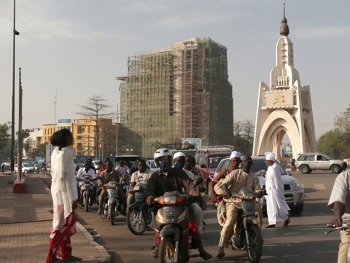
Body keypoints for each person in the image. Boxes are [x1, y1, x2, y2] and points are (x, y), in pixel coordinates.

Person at [146, 148, 212, 261]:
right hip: (161, 206)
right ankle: (158, 245)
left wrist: (192, 191)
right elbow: (149, 190)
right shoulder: (154, 176)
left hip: (180, 204)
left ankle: (201, 249)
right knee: (155, 223)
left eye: (166, 159)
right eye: (160, 160)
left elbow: (189, 184)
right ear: (156, 162)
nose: (163, 162)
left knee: (193, 221)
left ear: (170, 160)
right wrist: (150, 196)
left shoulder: (179, 173)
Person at [214, 153, 261, 258]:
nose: (247, 163)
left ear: (251, 163)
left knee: (259, 212)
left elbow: (257, 189)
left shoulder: (254, 177)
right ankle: (221, 247)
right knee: (230, 220)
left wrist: (260, 192)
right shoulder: (235, 173)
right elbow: (224, 184)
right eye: (245, 161)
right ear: (242, 163)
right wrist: (226, 191)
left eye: (249, 161)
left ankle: (257, 236)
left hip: (248, 201)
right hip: (233, 201)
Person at [46, 128, 80, 263]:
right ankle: (52, 255)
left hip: (58, 192)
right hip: (63, 194)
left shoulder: (56, 152)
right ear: (65, 139)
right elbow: (64, 178)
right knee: (60, 224)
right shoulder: (65, 153)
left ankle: (65, 254)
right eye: (71, 137)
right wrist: (72, 198)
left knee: (64, 224)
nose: (73, 139)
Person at [328, 169, 350, 263]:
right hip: (349, 221)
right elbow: (338, 199)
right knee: (346, 245)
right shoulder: (345, 176)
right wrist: (337, 216)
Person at [264, 152, 290, 228]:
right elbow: (270, 179)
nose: (266, 162)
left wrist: (277, 191)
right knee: (271, 207)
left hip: (274, 191)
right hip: (270, 191)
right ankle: (272, 222)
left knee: (278, 206)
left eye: (267, 160)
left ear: (270, 161)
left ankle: (286, 218)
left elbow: (276, 181)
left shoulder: (274, 168)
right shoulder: (270, 167)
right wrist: (265, 176)